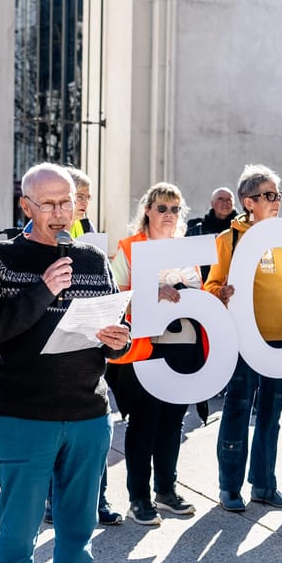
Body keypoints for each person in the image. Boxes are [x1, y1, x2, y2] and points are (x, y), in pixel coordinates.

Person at [0, 162, 128, 563]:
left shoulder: (93, 259)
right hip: (24, 418)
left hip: (87, 416)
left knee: (78, 537)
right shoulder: (1, 258)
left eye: (69, 202)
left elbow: (105, 333)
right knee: (17, 537)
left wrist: (117, 342)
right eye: (50, 204)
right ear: (26, 207)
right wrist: (42, 290)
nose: (63, 212)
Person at [204, 164, 282, 512]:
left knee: (270, 417)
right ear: (249, 202)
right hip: (243, 342)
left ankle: (264, 486)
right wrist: (222, 291)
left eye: (278, 195)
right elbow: (210, 286)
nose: (276, 201)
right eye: (268, 195)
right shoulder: (227, 240)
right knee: (237, 410)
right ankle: (229, 487)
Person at [107, 182, 204, 525]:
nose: (168, 215)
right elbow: (113, 293)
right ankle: (139, 498)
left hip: (184, 346)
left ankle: (166, 490)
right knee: (144, 423)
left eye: (175, 209)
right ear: (147, 210)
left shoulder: (186, 250)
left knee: (173, 422)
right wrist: (151, 289)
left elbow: (198, 293)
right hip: (146, 350)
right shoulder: (131, 247)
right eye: (162, 208)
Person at [40, 166, 122, 527]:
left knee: (90, 447)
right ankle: (51, 500)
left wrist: (118, 336)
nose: (81, 204)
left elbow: (111, 303)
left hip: (88, 378)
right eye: (78, 196)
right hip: (44, 380)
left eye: (83, 198)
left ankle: (98, 500)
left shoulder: (92, 244)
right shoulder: (37, 242)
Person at [186, 187, 238, 281]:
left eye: (228, 200)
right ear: (212, 203)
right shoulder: (197, 230)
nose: (225, 203)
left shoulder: (242, 229)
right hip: (204, 284)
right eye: (220, 199)